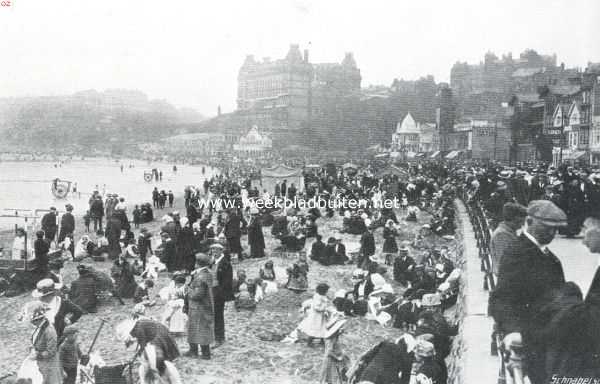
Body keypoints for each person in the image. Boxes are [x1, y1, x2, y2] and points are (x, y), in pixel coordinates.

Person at [489, 200, 568, 384]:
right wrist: (512, 331)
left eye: (555, 229)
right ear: (530, 222)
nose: (552, 233)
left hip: (546, 334)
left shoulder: (545, 255)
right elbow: (502, 299)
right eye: (547, 228)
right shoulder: (517, 252)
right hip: (533, 337)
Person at [185, 253, 214, 359]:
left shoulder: (200, 277)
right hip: (203, 306)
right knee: (200, 329)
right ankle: (197, 351)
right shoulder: (207, 273)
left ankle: (201, 353)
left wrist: (187, 290)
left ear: (197, 263)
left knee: (199, 330)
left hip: (198, 307)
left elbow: (198, 295)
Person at [489, 202, 527, 281]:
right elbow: (506, 264)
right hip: (509, 280)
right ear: (514, 219)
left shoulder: (509, 232)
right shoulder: (502, 235)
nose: (522, 225)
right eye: (521, 222)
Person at [27, 302, 63, 384]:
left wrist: (37, 355)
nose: (32, 323)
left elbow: (51, 351)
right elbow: (34, 340)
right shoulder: (38, 328)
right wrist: (32, 348)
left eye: (34, 321)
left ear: (39, 319)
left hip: (49, 366)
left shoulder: (49, 331)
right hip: (41, 363)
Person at [212, 244, 234, 347]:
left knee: (218, 315)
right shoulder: (212, 262)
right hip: (211, 290)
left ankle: (219, 338)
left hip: (219, 292)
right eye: (212, 250)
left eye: (216, 250)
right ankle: (215, 336)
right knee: (213, 315)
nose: (213, 252)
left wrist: (220, 292)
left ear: (221, 251)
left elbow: (227, 281)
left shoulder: (225, 263)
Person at [319, 319, 350, 384]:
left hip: (334, 359)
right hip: (331, 361)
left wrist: (340, 332)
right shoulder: (330, 340)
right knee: (333, 377)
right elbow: (328, 352)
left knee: (336, 376)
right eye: (339, 328)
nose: (341, 329)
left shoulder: (334, 336)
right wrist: (337, 358)